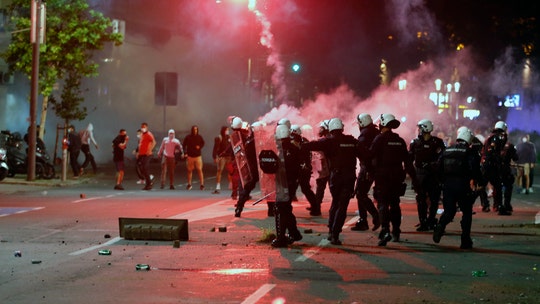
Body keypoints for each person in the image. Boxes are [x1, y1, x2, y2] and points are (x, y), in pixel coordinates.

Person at [302, 117, 361, 245]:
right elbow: (365, 155)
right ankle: (335, 233)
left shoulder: (328, 141)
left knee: (335, 203)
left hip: (336, 176)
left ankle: (331, 231)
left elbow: (310, 145)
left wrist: (297, 144)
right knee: (342, 206)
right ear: (342, 128)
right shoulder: (351, 141)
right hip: (349, 177)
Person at [370, 114, 419, 246]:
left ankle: (385, 230)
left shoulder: (379, 139)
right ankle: (396, 232)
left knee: (382, 204)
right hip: (397, 177)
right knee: (395, 204)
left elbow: (370, 156)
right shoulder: (400, 141)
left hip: (382, 177)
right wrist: (414, 178)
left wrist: (370, 173)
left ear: (382, 124)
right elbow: (408, 163)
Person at [433, 127, 482, 249]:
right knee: (466, 212)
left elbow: (438, 168)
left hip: (448, 185)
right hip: (463, 185)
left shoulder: (447, 150)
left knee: (449, 212)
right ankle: (465, 240)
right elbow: (475, 170)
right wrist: (479, 182)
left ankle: (441, 225)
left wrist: (442, 182)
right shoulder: (470, 152)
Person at [408, 119, 446, 231]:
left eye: (420, 128)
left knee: (434, 199)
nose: (418, 130)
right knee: (420, 199)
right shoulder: (415, 143)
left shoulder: (437, 142)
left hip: (433, 175)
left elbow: (442, 158)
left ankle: (430, 220)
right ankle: (423, 221)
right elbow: (409, 159)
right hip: (420, 176)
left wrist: (432, 165)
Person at [271, 124, 303, 248]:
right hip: (292, 184)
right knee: (286, 209)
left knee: (281, 209)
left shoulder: (279, 150)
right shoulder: (294, 148)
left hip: (283, 184)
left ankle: (281, 238)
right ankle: (294, 233)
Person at [351, 113, 380, 232]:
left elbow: (363, 153)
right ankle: (364, 221)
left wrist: (367, 168)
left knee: (360, 194)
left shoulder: (364, 135)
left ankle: (374, 216)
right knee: (361, 194)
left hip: (367, 168)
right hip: (375, 168)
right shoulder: (376, 133)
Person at [482, 121, 516, 215]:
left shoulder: (488, 137)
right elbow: (493, 152)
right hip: (493, 166)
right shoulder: (499, 137)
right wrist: (499, 160)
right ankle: (501, 206)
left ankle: (486, 204)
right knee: (499, 185)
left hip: (485, 165)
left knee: (482, 186)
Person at [230, 117, 260, 217]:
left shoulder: (249, 141)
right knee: (269, 189)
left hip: (250, 169)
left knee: (245, 189)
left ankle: (239, 207)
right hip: (257, 170)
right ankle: (271, 210)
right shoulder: (255, 141)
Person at [290, 124, 319, 216]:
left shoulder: (299, 143)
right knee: (304, 189)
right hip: (302, 169)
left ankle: (316, 208)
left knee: (303, 189)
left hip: (301, 169)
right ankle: (315, 207)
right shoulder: (304, 141)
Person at [312, 120, 330, 213]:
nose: (320, 130)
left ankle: (316, 208)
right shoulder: (329, 139)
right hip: (329, 168)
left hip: (327, 168)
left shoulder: (326, 140)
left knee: (321, 188)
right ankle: (316, 206)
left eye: (322, 128)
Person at [212, 126, 233, 194]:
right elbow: (215, 148)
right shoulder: (219, 138)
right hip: (222, 157)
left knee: (231, 171)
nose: (227, 131)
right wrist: (215, 157)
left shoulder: (229, 137)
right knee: (219, 171)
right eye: (226, 130)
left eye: (228, 130)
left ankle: (231, 185)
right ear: (223, 130)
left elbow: (232, 147)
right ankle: (218, 186)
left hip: (229, 157)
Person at [183, 125, 205, 190]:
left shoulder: (199, 137)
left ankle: (202, 184)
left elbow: (203, 143)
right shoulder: (188, 137)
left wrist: (200, 147)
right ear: (192, 130)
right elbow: (184, 145)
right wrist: (185, 153)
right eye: (194, 129)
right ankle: (189, 184)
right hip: (190, 156)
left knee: (199, 169)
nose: (195, 131)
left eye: (196, 129)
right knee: (189, 170)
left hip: (198, 156)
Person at [138, 122, 156, 190]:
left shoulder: (149, 134)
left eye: (144, 127)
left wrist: (149, 150)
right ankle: (150, 178)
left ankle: (149, 184)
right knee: (141, 169)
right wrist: (138, 152)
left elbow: (154, 142)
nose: (143, 128)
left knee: (145, 168)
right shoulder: (142, 134)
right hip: (141, 154)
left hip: (147, 154)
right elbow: (140, 144)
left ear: (147, 127)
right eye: (142, 127)